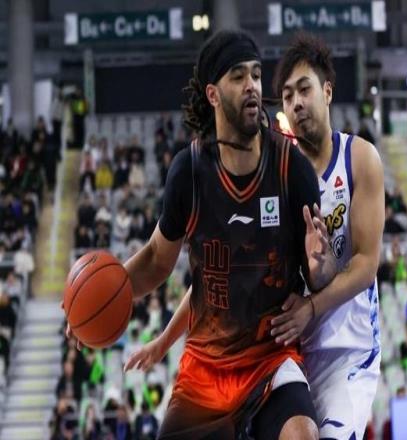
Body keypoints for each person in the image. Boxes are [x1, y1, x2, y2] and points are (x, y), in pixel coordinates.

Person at [118, 30, 334, 439]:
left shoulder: (291, 168)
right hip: (207, 366)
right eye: (238, 76)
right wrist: (102, 294)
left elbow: (320, 278)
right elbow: (156, 261)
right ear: (213, 94)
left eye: (256, 75)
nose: (252, 85)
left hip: (271, 359)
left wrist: (320, 263)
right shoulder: (189, 173)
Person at [271, 33, 384, 440]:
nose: (296, 103)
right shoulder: (279, 175)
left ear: (328, 92)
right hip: (294, 351)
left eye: (304, 89)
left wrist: (312, 306)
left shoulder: (360, 158)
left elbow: (366, 266)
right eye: (287, 97)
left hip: (348, 349)